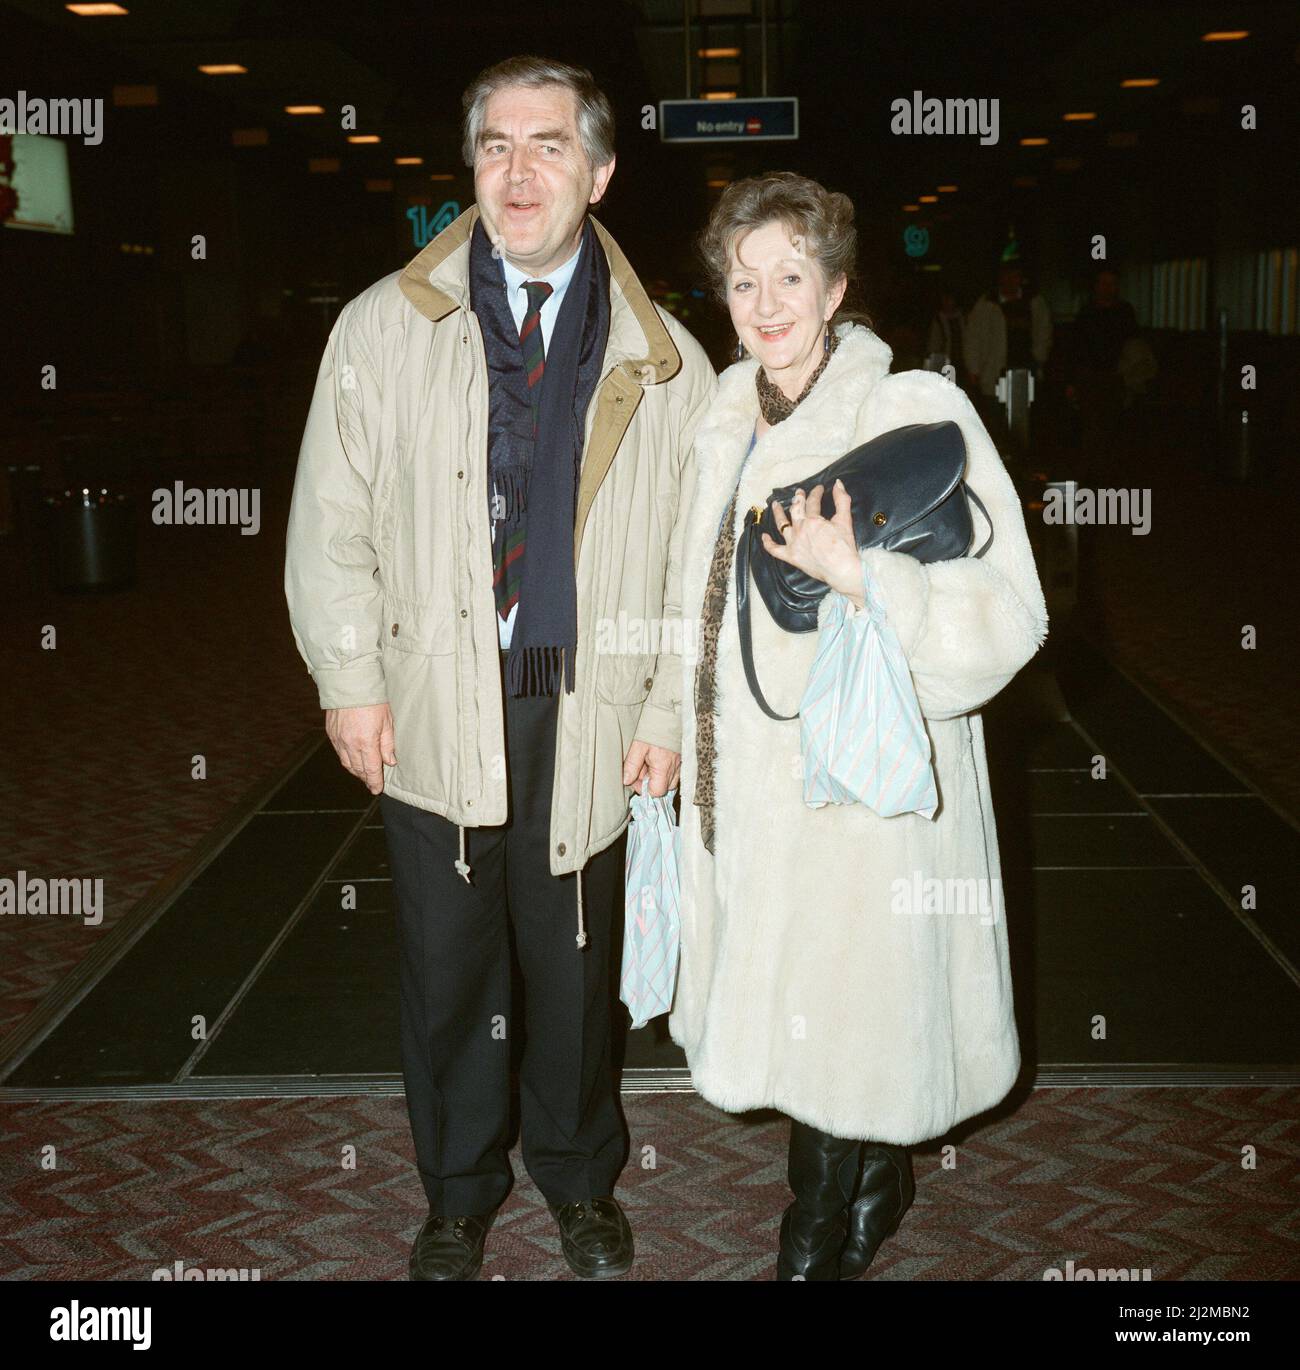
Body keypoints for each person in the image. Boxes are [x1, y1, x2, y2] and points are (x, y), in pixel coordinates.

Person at [284, 54, 715, 1281]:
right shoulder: (382, 326)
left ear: (600, 171)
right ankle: (458, 1192)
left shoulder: (666, 359)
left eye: (547, 145)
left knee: (574, 962)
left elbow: (692, 563)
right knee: (447, 961)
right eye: (495, 146)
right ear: (468, 165)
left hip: (589, 700)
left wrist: (664, 708)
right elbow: (332, 524)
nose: (518, 171)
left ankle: (579, 1180)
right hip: (433, 697)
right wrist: (350, 679)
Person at [670, 172, 1048, 1279]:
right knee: (807, 1005)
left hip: (866, 790)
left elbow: (1009, 616)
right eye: (743, 280)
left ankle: (813, 1233)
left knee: (844, 1004)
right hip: (748, 780)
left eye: (791, 274)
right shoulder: (721, 420)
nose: (766, 299)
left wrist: (865, 576)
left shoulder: (910, 409)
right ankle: (877, 1168)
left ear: (835, 286)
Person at [964, 261, 1053, 450]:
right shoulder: (987, 303)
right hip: (995, 372)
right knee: (996, 422)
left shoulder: (1034, 302)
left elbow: (1043, 332)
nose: (1011, 280)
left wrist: (1039, 359)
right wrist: (974, 368)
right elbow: (974, 337)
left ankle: (1022, 461)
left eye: (1015, 275)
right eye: (1007, 275)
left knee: (1024, 422)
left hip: (1025, 372)